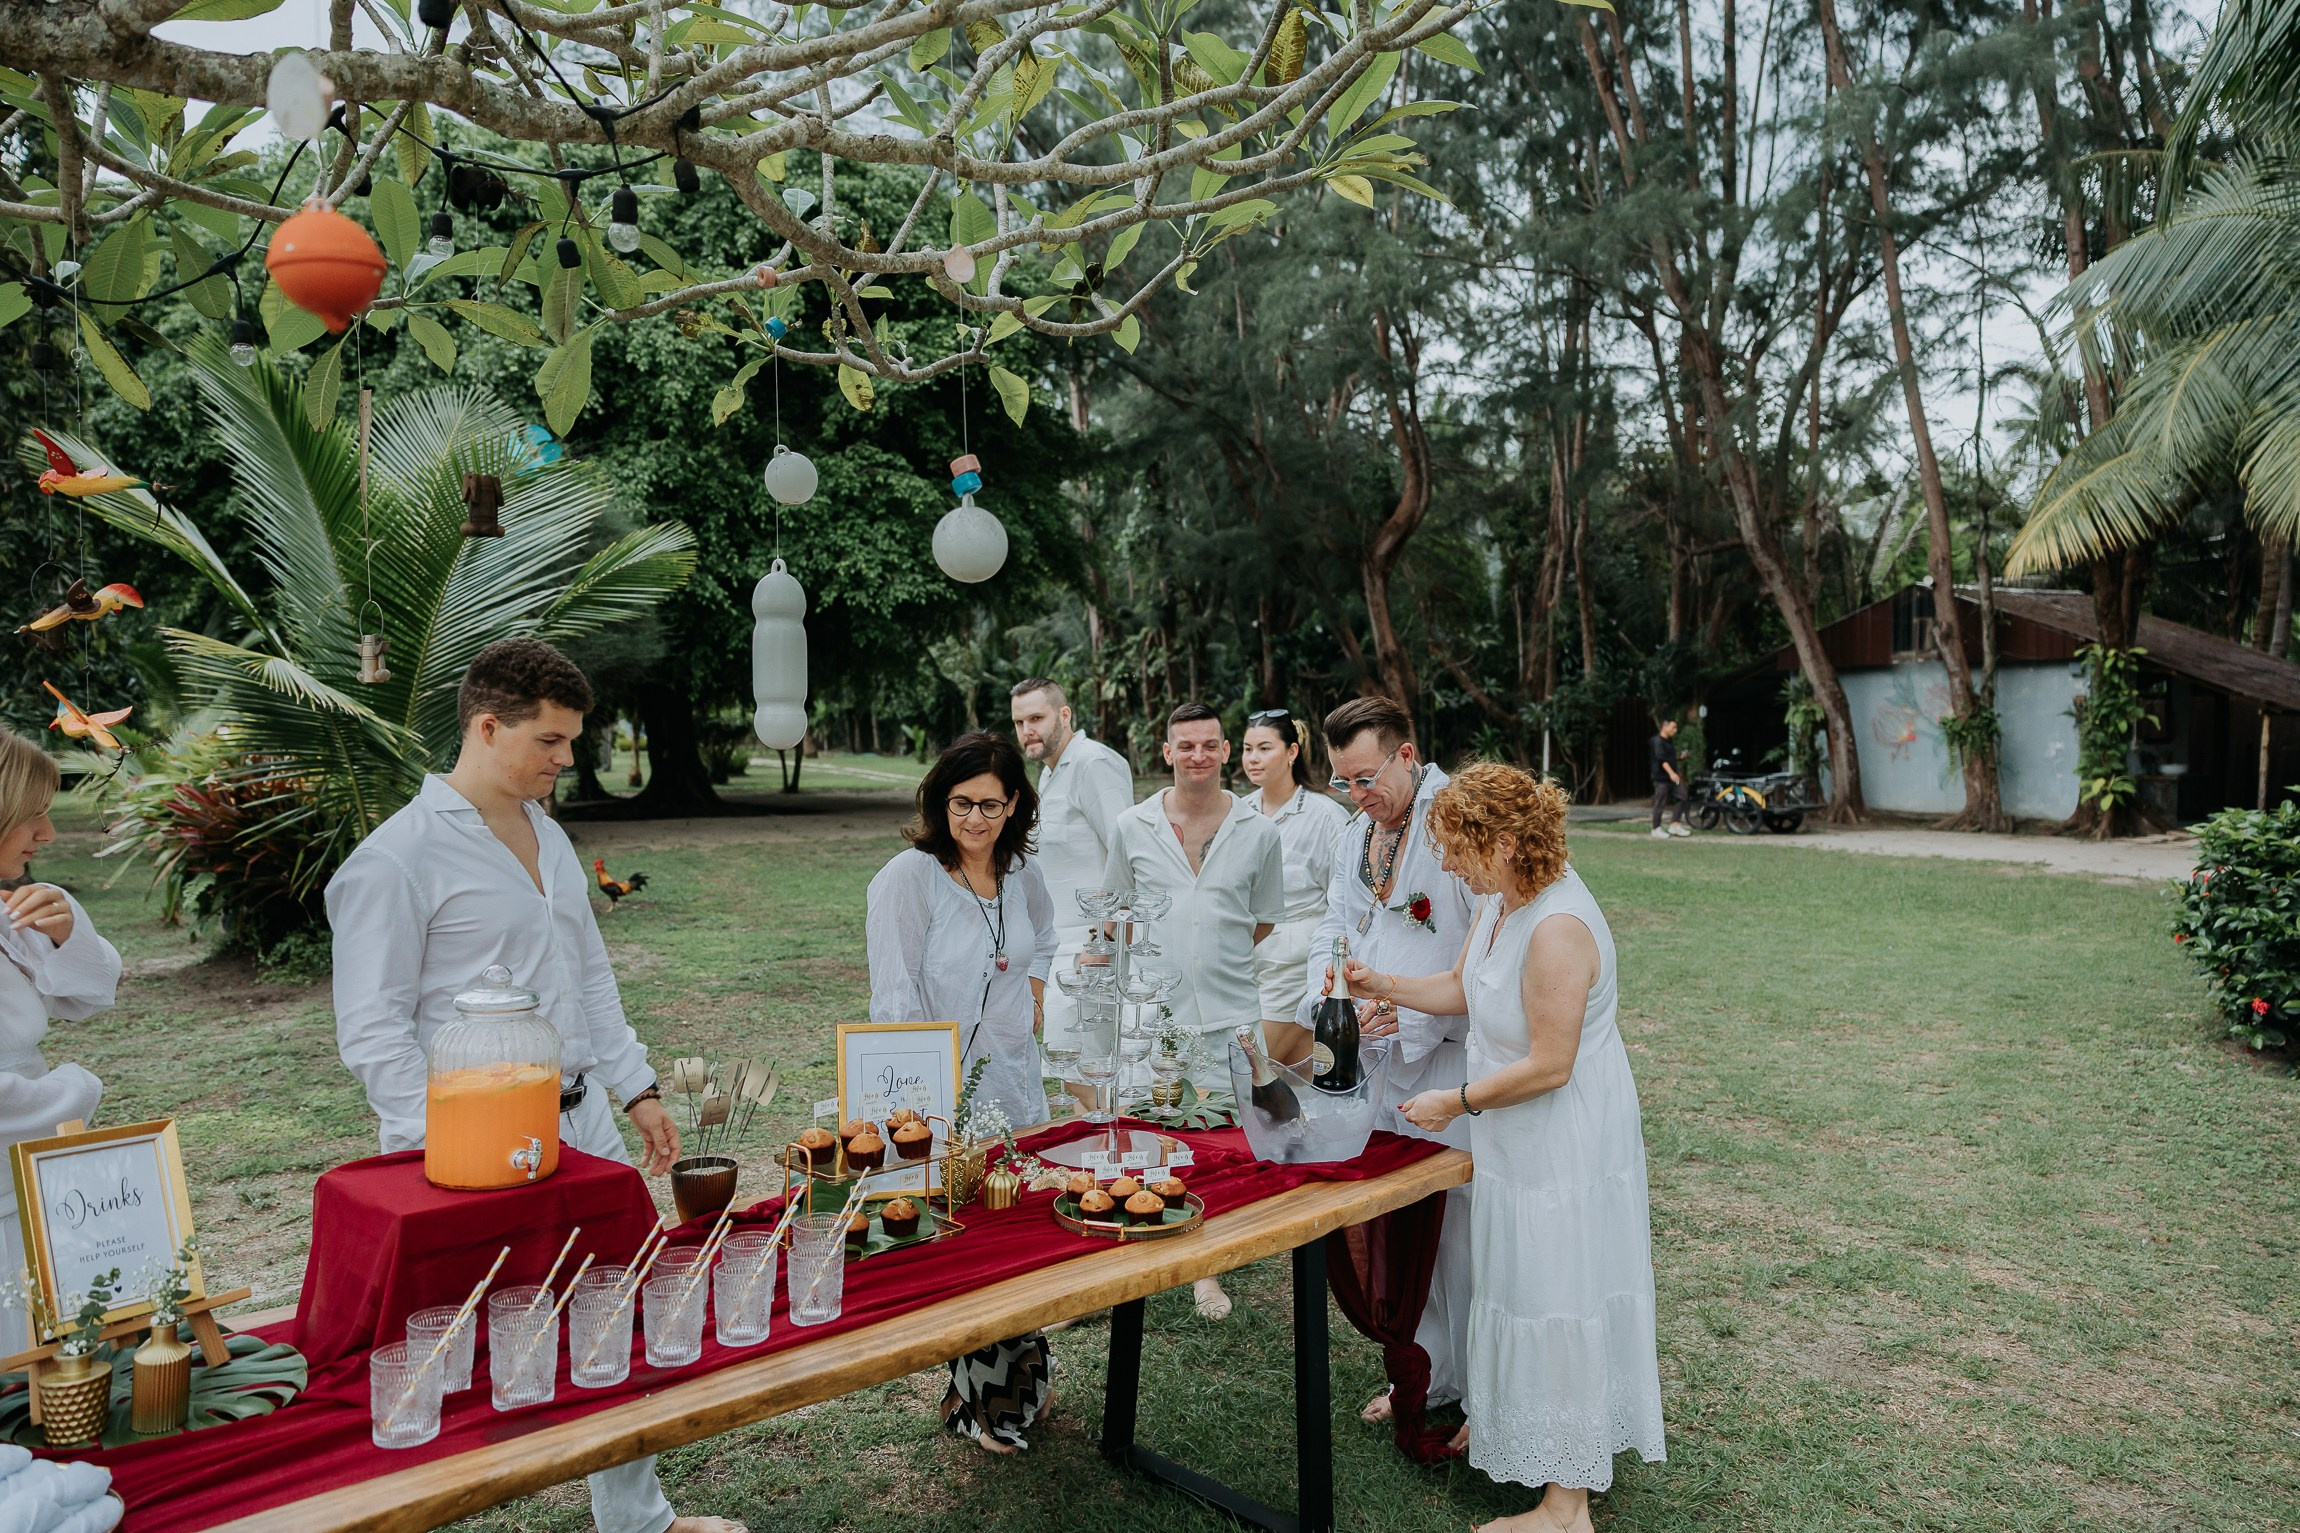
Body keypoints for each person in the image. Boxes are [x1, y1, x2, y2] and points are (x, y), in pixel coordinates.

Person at [326, 639, 740, 1533]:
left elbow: (588, 975)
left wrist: (636, 1089)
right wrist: (436, 1154)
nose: (567, 759)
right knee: (463, 1343)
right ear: (486, 726)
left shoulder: (549, 833)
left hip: (584, 1120)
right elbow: (372, 1028)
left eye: (569, 741)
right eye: (551, 741)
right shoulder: (394, 860)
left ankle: (639, 1520)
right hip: (469, 1150)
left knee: (614, 1309)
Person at [1363, 763, 1665, 1530]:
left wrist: (1453, 1100)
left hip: (1561, 1139)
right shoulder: (1500, 902)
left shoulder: (1559, 925)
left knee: (1556, 1292)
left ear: (1500, 841)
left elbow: (1551, 1064)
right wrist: (1381, 981)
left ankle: (1566, 1508)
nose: (1451, 866)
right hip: (1516, 1137)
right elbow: (1464, 990)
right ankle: (1516, 1426)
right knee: (1518, 1284)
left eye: (1458, 849)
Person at [866, 731, 1060, 1453]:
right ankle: (984, 1401)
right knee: (962, 1242)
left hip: (1012, 1080)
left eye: (989, 803)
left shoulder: (1023, 875)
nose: (974, 819)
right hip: (933, 1091)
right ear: (938, 800)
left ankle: (1008, 1385)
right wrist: (920, 1106)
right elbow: (893, 997)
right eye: (959, 803)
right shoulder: (908, 878)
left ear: (1015, 805)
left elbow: (1048, 934)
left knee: (1016, 1234)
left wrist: (1032, 995)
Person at [1299, 695, 1475, 1422]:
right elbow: (1334, 923)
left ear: (1408, 755)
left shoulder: (1455, 824)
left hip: (1450, 1053)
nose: (1357, 794)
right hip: (1374, 1049)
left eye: (1366, 776)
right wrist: (1331, 992)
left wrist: (1411, 1008)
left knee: (1461, 1226)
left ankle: (1481, 1383)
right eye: (1342, 781)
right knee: (1404, 1225)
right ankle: (1425, 1367)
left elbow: (1482, 946)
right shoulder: (1355, 833)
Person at [1100, 702, 1283, 1320]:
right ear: (1168, 751)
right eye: (1187, 745)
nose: (1198, 756)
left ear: (1227, 751)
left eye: (1210, 745)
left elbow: (1261, 921)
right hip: (1157, 1017)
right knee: (1153, 1137)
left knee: (1225, 1147)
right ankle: (1140, 1253)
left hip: (1233, 1015)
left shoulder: (1258, 833)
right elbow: (1115, 915)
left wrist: (1210, 958)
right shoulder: (1132, 826)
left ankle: (1208, 1270)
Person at [0, 730, 120, 1354]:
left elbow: (90, 994)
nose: (47, 834)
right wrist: (73, 1092)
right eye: (34, 814)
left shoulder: (10, 908)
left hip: (28, 1167)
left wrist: (67, 933)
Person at [1010, 679, 1135, 1051]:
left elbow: (1128, 854)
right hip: (1057, 946)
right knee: (1074, 1073)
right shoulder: (1050, 772)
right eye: (1019, 722)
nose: (1027, 730)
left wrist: (1104, 939)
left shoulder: (1093, 763)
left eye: (1036, 717)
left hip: (1092, 946)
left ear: (1064, 715)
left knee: (1090, 1074)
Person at [1238, 709, 1349, 1062]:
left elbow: (1345, 903)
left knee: (1247, 1067)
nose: (1253, 759)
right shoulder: (1238, 812)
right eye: (1247, 749)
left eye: (1264, 748)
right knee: (1289, 1077)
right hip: (1246, 958)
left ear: (1291, 752)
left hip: (1295, 963)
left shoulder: (1326, 816)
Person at [1649, 717, 1692, 838]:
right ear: (1665, 726)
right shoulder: (1657, 741)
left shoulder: (1669, 741)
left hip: (1672, 776)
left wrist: (1680, 757)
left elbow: (1669, 758)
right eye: (1673, 727)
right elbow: (1661, 760)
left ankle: (1674, 825)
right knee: (1660, 802)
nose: (1675, 730)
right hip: (1662, 777)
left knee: (1682, 796)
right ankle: (1656, 829)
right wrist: (1672, 773)